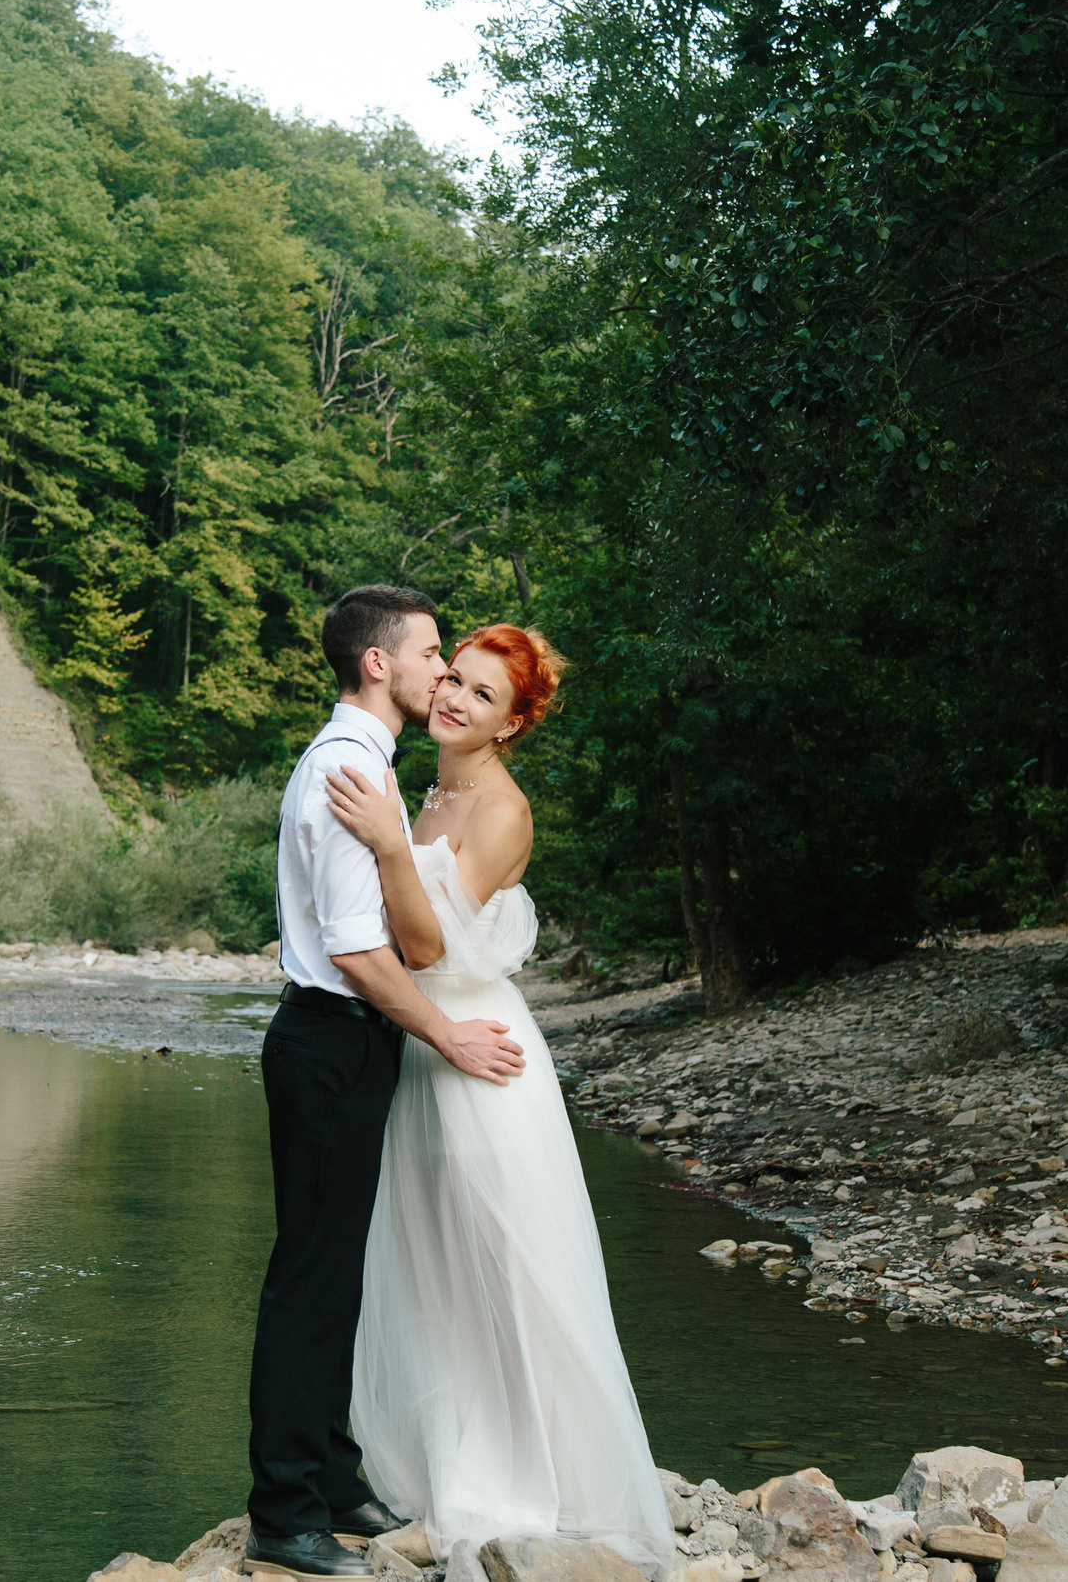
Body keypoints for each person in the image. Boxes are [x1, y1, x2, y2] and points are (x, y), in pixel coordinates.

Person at [326, 623, 678, 1581]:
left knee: (502, 1272)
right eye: (454, 681)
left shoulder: (503, 812)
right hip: (417, 1047)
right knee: (429, 1267)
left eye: (483, 696)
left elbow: (430, 941)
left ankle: (513, 1489)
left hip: (477, 1053)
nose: (454, 700)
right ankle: (444, 1476)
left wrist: (390, 843)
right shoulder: (419, 782)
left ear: (513, 722)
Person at [246, 586, 528, 1582]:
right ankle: (282, 1509)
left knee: (336, 1275)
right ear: (380, 664)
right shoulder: (344, 771)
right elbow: (362, 955)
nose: (439, 672)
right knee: (309, 1283)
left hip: (349, 1044)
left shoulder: (372, 769)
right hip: (331, 1037)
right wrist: (448, 1036)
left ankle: (327, 1474)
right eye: (429, 655)